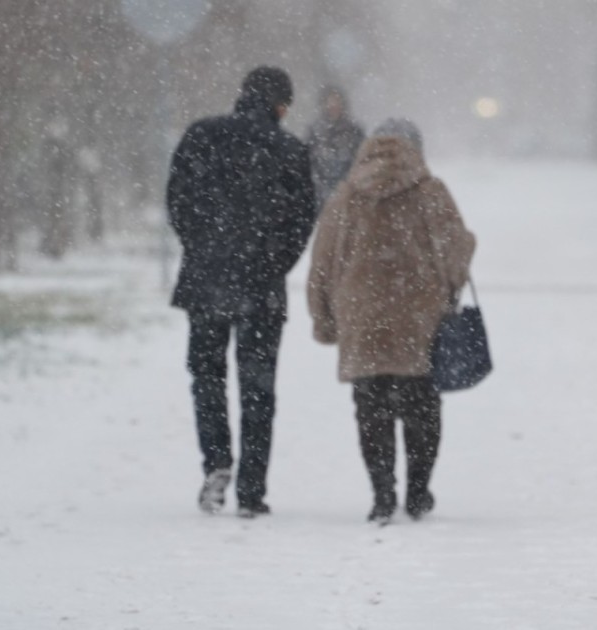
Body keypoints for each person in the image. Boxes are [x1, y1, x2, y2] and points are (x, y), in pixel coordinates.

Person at [307, 119, 475, 525]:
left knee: (371, 409)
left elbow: (322, 264)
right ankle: (417, 492)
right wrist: (450, 285)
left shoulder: (345, 197)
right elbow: (457, 252)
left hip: (361, 318)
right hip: (419, 318)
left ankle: (382, 493)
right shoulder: (431, 192)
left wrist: (324, 318)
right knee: (422, 409)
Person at [166, 66, 316, 518]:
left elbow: (178, 201)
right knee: (258, 388)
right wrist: (272, 264)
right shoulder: (289, 149)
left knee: (207, 376)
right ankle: (252, 489)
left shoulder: (201, 135)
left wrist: (202, 248)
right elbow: (302, 221)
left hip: (206, 281)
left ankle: (216, 462)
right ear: (281, 105)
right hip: (261, 288)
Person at [306, 85, 366, 210]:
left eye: (336, 101)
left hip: (349, 191)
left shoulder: (354, 130)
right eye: (329, 101)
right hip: (320, 192)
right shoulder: (314, 130)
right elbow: (308, 160)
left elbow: (361, 159)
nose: (333, 105)